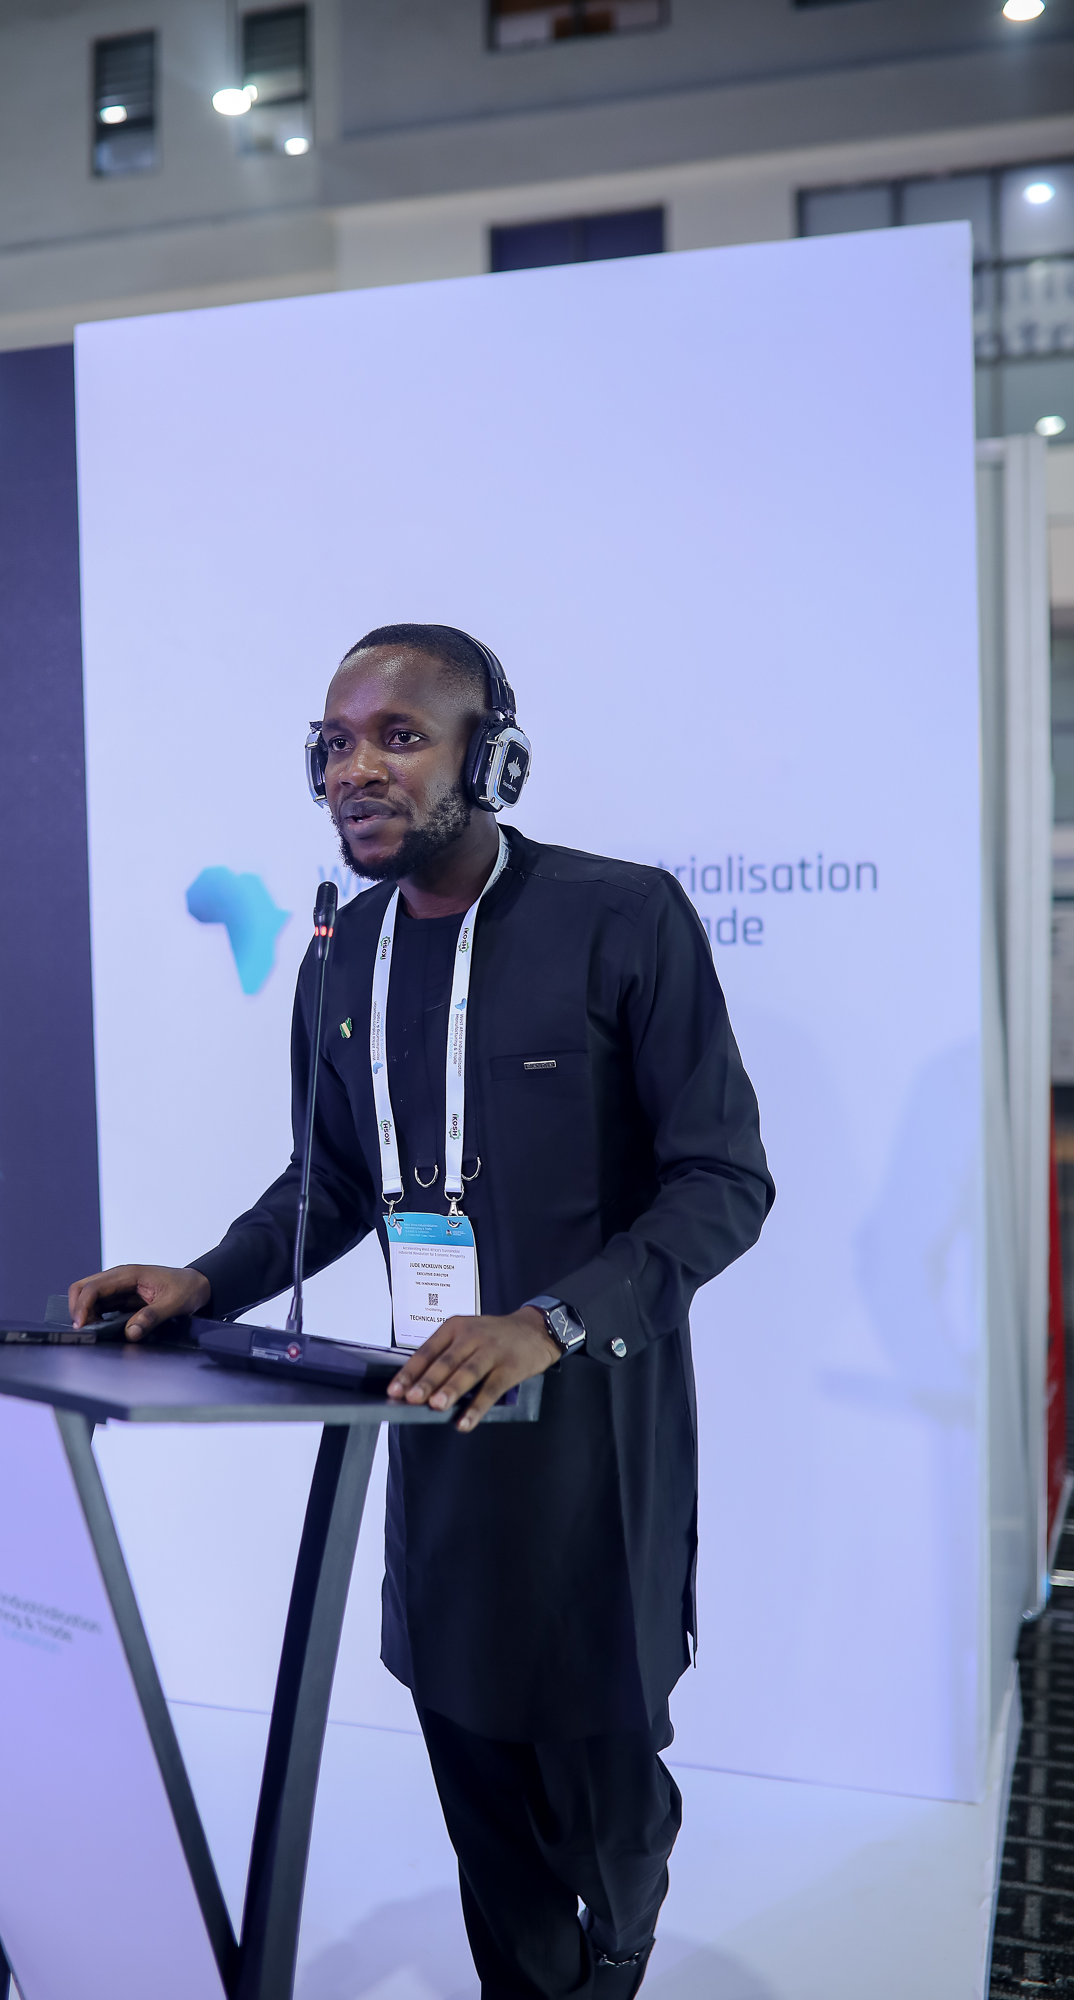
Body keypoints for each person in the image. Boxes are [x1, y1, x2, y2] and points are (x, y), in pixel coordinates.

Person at [70, 624, 774, 2000]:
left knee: (604, 1792)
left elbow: (722, 1181)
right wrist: (205, 1277)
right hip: (427, 1425)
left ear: (490, 760)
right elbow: (332, 1181)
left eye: (399, 736)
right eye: (334, 745)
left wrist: (549, 1320)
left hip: (595, 1432)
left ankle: (616, 1951)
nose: (356, 769)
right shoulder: (341, 956)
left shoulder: (621, 917)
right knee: (471, 1765)